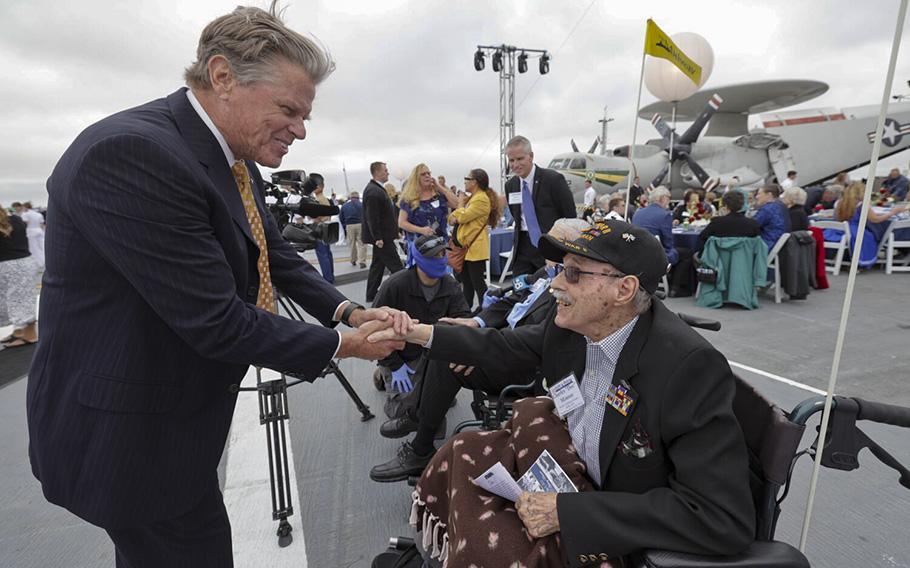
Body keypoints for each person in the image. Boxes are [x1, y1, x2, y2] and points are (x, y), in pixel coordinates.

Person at [26, 7, 411, 567]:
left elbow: (273, 254)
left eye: (305, 115)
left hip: (170, 423)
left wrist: (347, 312)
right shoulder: (135, 154)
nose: (300, 130)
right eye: (288, 110)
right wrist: (345, 346)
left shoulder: (229, 157)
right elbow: (215, 321)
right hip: (129, 440)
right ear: (223, 76)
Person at [370, 220, 755, 566]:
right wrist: (414, 333)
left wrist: (567, 512)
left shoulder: (688, 369)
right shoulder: (571, 328)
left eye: (573, 273)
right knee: (463, 452)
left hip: (607, 512)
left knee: (491, 546)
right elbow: (502, 346)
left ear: (624, 289)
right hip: (571, 465)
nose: (555, 283)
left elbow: (720, 518)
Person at [370, 218, 589, 483]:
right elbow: (511, 298)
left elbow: (535, 341)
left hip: (523, 365)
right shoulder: (545, 274)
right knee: (444, 334)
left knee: (445, 349)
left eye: (555, 249)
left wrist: (477, 348)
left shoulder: (571, 293)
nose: (547, 255)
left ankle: (420, 447)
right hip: (501, 344)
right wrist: (476, 322)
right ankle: (419, 417)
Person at [371, 234, 471, 397]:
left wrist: (480, 316)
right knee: (405, 411)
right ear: (418, 259)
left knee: (438, 402)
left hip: (436, 354)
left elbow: (462, 318)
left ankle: (425, 377)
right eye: (434, 256)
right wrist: (394, 365)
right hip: (402, 356)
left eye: (442, 254)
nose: (440, 259)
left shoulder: (450, 284)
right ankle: (383, 373)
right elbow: (375, 328)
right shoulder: (394, 285)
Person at [504, 135, 576, 276]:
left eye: (520, 159)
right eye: (511, 160)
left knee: (549, 292)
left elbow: (570, 216)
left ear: (530, 156)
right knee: (520, 291)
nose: (515, 165)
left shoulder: (553, 180)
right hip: (522, 248)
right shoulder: (510, 185)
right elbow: (515, 214)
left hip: (550, 246)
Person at [449, 168, 500, 308]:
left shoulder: (481, 199)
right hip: (468, 249)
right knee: (468, 283)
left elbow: (463, 217)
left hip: (475, 249)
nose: (464, 182)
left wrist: (459, 205)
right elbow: (454, 218)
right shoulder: (474, 198)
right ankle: (466, 311)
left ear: (475, 182)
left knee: (478, 283)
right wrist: (456, 215)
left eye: (467, 178)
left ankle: (487, 312)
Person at [835, 181, 907, 267]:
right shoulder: (861, 205)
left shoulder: (839, 203)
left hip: (842, 230)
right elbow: (875, 220)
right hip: (857, 231)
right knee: (873, 235)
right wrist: (892, 213)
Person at [0, 203, 41, 347]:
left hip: (10, 266)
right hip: (24, 262)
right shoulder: (16, 220)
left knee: (18, 300)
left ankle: (30, 336)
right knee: (17, 299)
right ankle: (18, 333)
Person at [363, 161, 405, 303]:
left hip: (385, 236)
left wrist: (395, 232)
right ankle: (405, 293)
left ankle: (371, 294)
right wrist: (378, 237)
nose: (387, 172)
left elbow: (386, 215)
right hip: (382, 239)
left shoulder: (377, 189)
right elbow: (372, 217)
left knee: (377, 266)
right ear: (377, 172)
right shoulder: (373, 192)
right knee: (397, 267)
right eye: (385, 170)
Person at [398, 163, 458, 244]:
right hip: (418, 245)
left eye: (429, 173)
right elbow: (401, 223)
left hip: (440, 244)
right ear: (416, 178)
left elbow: (457, 204)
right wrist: (421, 230)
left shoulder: (437, 195)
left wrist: (440, 187)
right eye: (423, 174)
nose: (427, 175)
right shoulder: (409, 198)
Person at [696, 191, 761, 252]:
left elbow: (702, 236)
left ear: (726, 205)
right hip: (743, 260)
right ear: (742, 205)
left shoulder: (717, 222)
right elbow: (756, 242)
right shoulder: (752, 224)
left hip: (718, 260)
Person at [632, 186, 678, 265]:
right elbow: (668, 243)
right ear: (663, 198)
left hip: (637, 253)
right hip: (655, 255)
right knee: (685, 253)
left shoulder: (638, 213)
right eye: (668, 198)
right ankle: (675, 277)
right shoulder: (665, 215)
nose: (669, 201)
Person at [307, 173, 335, 283]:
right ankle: (330, 276)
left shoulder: (318, 200)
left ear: (320, 187)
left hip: (320, 228)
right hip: (326, 228)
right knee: (327, 254)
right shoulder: (324, 199)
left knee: (322, 254)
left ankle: (327, 278)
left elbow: (316, 216)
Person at [752, 184, 791, 251]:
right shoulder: (782, 206)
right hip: (781, 246)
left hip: (768, 244)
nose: (756, 197)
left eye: (759, 194)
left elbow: (752, 225)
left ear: (769, 195)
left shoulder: (768, 209)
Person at [339, 191, 366, 268]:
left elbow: (341, 217)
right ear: (358, 197)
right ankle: (362, 261)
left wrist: (345, 225)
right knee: (361, 243)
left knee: (352, 244)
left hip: (349, 225)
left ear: (350, 197)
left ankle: (353, 260)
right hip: (360, 224)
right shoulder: (362, 205)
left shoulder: (344, 206)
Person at [20, 201, 46, 268]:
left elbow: (25, 223)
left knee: (33, 248)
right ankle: (45, 261)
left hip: (30, 231)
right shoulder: (38, 214)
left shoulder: (25, 214)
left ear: (25, 207)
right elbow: (42, 224)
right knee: (42, 247)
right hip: (39, 230)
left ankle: (39, 263)